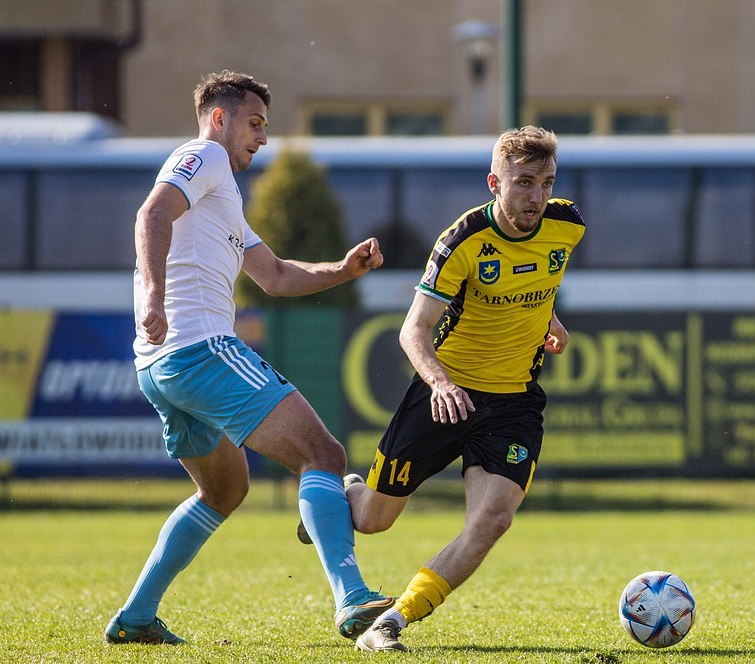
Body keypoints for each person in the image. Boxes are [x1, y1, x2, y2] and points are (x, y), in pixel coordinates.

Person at [104, 70, 393, 646]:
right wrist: (154, 297)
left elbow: (277, 275)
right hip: (201, 349)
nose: (262, 138)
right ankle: (352, 597)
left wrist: (341, 270)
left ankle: (136, 617)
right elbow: (151, 214)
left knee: (224, 491)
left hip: (160, 367)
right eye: (255, 124)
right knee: (323, 455)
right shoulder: (206, 157)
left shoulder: (222, 198)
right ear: (219, 118)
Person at [330, 125, 582, 651]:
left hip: (514, 403)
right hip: (446, 396)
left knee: (492, 520)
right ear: (495, 183)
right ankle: (339, 495)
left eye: (547, 183)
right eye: (524, 182)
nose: (537, 197)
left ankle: (390, 622)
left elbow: (534, 281)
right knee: (372, 520)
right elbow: (413, 329)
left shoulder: (567, 225)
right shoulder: (462, 240)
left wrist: (550, 320)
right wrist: (440, 383)